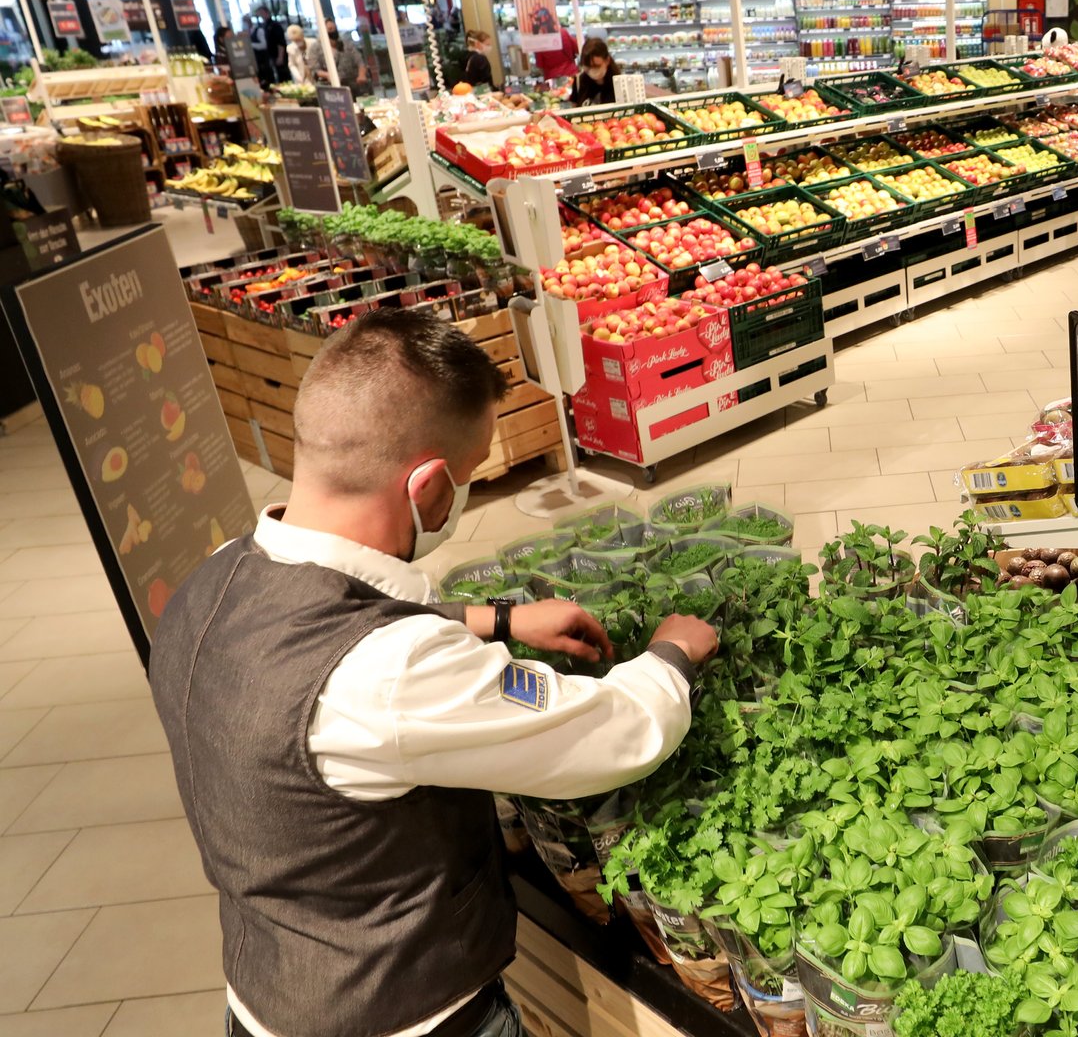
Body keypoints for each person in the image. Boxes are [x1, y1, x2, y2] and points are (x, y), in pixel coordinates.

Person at [150, 309, 716, 1037]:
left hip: (265, 995)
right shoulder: (395, 675)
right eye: (471, 474)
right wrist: (672, 653)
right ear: (428, 489)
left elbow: (340, 624)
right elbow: (614, 735)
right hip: (414, 1017)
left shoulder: (213, 579)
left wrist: (500, 618)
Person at [571, 37, 616, 107]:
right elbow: (574, 109)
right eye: (588, 67)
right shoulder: (579, 81)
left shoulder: (618, 82)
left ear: (607, 61)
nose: (592, 71)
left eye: (596, 66)